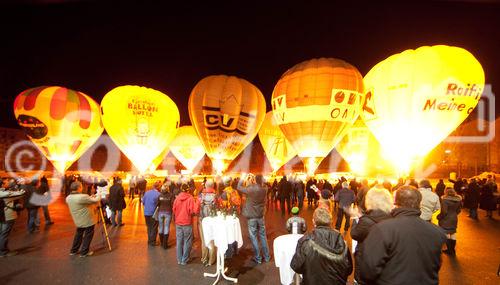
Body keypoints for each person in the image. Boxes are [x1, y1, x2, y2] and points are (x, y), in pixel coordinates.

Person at [360, 186, 447, 284]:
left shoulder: (383, 229)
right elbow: (435, 265)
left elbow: (367, 270)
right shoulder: (437, 232)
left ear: (395, 203)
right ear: (420, 204)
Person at [291, 207, 353, 285]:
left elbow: (296, 266)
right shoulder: (341, 241)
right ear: (331, 221)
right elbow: (349, 269)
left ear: (313, 221)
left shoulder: (305, 241)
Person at [350, 186, 392, 285]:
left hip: (367, 264)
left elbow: (354, 234)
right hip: (386, 266)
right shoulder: (392, 218)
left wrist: (357, 219)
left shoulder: (366, 220)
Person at [237, 173, 271, 264]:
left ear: (255, 180)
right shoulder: (265, 189)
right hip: (260, 215)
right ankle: (267, 256)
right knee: (263, 236)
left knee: (254, 237)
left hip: (252, 216)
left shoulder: (251, 189)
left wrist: (242, 178)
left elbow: (239, 187)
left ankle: (258, 257)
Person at [66, 181, 101, 257]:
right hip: (87, 220)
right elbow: (95, 200)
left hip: (78, 220)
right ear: (78, 188)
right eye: (81, 187)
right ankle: (84, 252)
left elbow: (84, 201)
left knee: (78, 235)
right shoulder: (82, 197)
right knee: (88, 235)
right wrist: (99, 194)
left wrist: (90, 197)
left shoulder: (68, 198)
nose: (82, 188)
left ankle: (74, 250)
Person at [172, 183, 200, 265]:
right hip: (187, 222)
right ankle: (184, 259)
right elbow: (193, 211)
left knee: (179, 240)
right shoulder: (190, 198)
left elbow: (174, 209)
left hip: (178, 223)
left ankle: (179, 259)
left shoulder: (177, 198)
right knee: (187, 241)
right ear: (188, 190)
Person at [0, 179, 25, 257]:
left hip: (1, 216)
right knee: (4, 234)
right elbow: (21, 194)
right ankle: (3, 252)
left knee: (2, 233)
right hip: (7, 216)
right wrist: (22, 186)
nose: (8, 183)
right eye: (6, 182)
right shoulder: (3, 194)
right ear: (2, 184)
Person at [438, 187, 462, 256]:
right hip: (454, 218)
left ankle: (449, 250)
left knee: (447, 233)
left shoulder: (444, 200)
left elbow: (444, 212)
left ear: (446, 192)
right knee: (453, 233)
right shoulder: (458, 200)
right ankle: (452, 250)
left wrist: (439, 217)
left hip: (446, 218)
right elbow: (459, 210)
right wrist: (454, 214)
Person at [198, 180, 217, 266]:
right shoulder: (215, 196)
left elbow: (196, 207)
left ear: (205, 185)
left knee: (204, 239)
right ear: (213, 186)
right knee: (212, 239)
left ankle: (204, 258)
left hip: (203, 219)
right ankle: (211, 260)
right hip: (212, 220)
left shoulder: (201, 196)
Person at [142, 181, 161, 246]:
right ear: (158, 187)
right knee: (154, 227)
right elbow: (159, 204)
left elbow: (143, 202)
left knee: (149, 227)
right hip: (154, 213)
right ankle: (152, 241)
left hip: (146, 213)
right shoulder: (158, 194)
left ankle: (149, 240)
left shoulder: (147, 193)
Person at [157, 181, 174, 249]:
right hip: (168, 212)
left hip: (160, 212)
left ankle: (161, 242)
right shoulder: (171, 195)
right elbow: (172, 203)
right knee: (166, 227)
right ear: (167, 189)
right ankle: (165, 244)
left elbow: (158, 204)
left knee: (160, 227)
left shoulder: (159, 195)